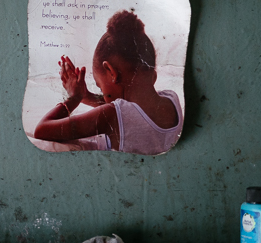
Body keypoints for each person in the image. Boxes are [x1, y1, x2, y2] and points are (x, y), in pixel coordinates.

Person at [34, 10, 183, 154]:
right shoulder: (173, 100)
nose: (102, 94)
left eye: (100, 85)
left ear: (111, 72)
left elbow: (41, 129)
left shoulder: (112, 116)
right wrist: (87, 96)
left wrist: (75, 98)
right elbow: (133, 110)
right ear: (153, 75)